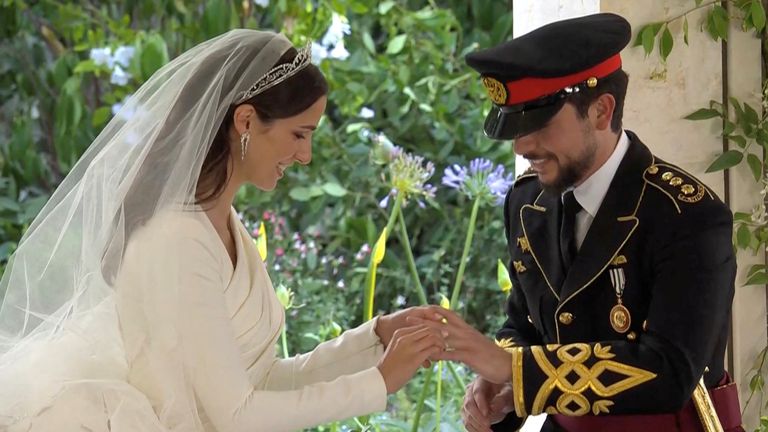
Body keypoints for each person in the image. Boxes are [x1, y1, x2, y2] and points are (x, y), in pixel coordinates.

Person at [0, 30, 445, 431]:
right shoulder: (177, 240)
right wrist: (379, 383)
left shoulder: (220, 223)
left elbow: (263, 379)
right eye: (299, 134)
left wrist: (375, 339)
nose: (306, 155)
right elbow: (237, 414)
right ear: (246, 121)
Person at [413, 13, 743, 432]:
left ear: (601, 111)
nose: (522, 144)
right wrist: (499, 386)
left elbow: (671, 369)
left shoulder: (687, 215)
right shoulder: (526, 201)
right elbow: (526, 323)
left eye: (539, 124)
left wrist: (515, 371)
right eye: (515, 125)